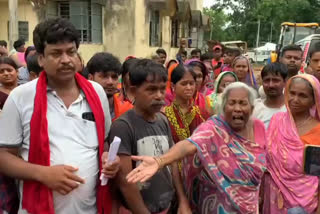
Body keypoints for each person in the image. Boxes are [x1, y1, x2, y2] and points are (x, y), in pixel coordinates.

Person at [0, 18, 119, 214]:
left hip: (90, 209)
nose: (66, 60)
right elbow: (3, 156)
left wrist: (109, 160)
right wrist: (43, 174)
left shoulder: (97, 93)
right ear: (40, 59)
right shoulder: (20, 97)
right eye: (56, 53)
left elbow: (103, 143)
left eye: (71, 52)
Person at [127, 82, 266, 214]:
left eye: (243, 103)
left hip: (251, 205)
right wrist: (160, 161)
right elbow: (190, 144)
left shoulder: (259, 127)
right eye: (232, 103)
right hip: (217, 206)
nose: (237, 108)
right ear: (223, 107)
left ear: (252, 108)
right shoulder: (214, 128)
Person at [109, 59, 190, 214]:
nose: (159, 96)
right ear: (132, 92)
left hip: (165, 206)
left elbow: (172, 163)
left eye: (162, 89)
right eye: (151, 90)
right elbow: (125, 182)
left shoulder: (163, 120)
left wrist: (182, 200)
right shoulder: (123, 126)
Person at [264, 74, 320, 214]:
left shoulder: (318, 131)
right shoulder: (277, 121)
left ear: (314, 100)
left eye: (303, 96)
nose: (295, 99)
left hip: (305, 202)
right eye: (292, 93)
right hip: (273, 195)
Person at [164, 65, 205, 143]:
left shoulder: (202, 114)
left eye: (191, 83)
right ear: (173, 85)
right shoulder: (164, 115)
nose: (189, 88)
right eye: (184, 84)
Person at [87, 52, 124, 120]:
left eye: (114, 77)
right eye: (104, 76)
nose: (110, 82)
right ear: (91, 78)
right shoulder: (79, 109)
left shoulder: (126, 109)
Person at [252, 63, 287, 128]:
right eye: (267, 80)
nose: (271, 85)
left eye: (276, 80)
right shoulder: (254, 108)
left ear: (285, 82)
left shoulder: (292, 108)